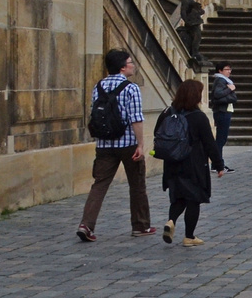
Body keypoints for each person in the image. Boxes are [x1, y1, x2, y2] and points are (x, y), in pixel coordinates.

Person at [77, 49, 153, 241]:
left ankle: (86, 224)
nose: (132, 65)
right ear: (122, 67)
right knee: (137, 185)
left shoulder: (98, 86)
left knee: (99, 185)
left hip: (104, 144)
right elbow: (136, 118)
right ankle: (140, 225)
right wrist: (140, 144)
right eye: (130, 62)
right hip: (127, 143)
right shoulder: (131, 88)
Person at [160, 79, 227, 247]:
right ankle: (189, 236)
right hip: (193, 163)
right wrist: (218, 165)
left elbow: (158, 134)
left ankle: (171, 220)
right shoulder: (198, 117)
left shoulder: (167, 112)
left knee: (178, 197)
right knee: (193, 199)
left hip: (172, 162)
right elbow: (209, 143)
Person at [208, 62, 236, 169]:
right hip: (222, 111)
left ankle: (217, 163)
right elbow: (218, 95)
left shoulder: (225, 81)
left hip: (225, 110)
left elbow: (233, 97)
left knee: (221, 139)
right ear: (220, 71)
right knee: (221, 139)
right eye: (227, 69)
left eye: (230, 69)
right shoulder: (220, 80)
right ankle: (217, 164)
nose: (229, 71)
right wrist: (230, 90)